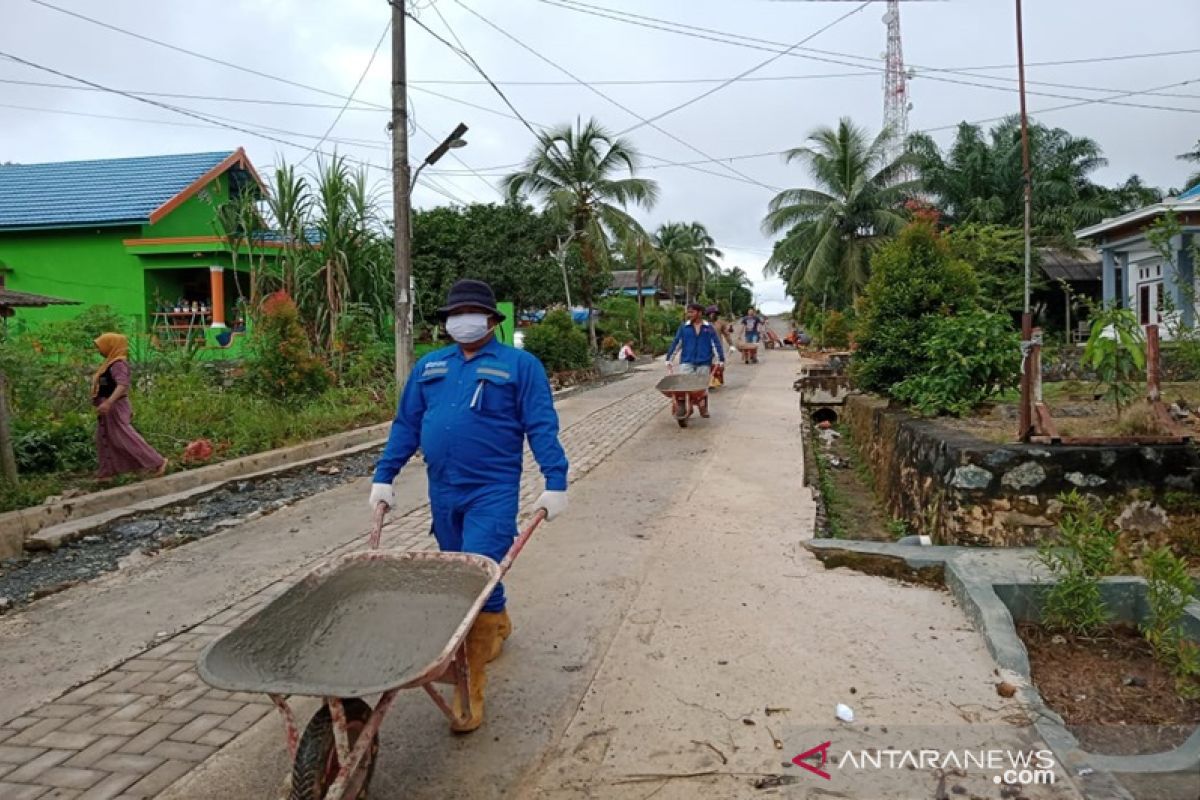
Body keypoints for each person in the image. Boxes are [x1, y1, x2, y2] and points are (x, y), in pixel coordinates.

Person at [369, 279, 568, 734]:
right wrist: (385, 475)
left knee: (471, 575)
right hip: (442, 490)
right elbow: (407, 424)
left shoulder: (521, 366)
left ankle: (469, 690)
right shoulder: (429, 366)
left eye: (473, 313)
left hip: (491, 491)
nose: (463, 321)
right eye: (455, 315)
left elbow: (541, 425)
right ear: (447, 323)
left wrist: (555, 480)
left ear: (492, 320)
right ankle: (497, 622)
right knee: (465, 571)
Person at [91, 333, 167, 480]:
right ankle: (108, 471)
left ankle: (157, 461)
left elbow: (122, 385)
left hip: (115, 406)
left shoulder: (118, 364)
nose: (99, 351)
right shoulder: (110, 364)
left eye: (101, 347)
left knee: (125, 437)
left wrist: (108, 402)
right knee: (105, 437)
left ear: (111, 346)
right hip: (107, 406)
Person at [665, 303, 725, 417]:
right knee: (684, 386)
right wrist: (669, 359)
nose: (689, 314)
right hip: (687, 361)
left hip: (704, 362)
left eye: (692, 312)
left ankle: (703, 407)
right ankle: (686, 406)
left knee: (702, 388)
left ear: (699, 313)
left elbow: (715, 344)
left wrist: (720, 359)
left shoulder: (708, 328)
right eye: (688, 312)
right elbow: (676, 343)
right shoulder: (684, 328)